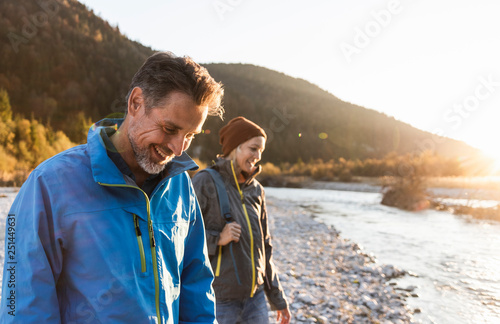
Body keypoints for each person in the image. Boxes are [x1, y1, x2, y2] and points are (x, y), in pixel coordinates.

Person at [0, 51, 224, 323]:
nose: (178, 149)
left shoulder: (181, 187)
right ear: (136, 103)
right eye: (169, 128)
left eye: (189, 136)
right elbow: (21, 303)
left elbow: (196, 284)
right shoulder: (48, 184)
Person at [192, 117, 291, 324]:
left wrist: (278, 299)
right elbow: (183, 236)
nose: (257, 156)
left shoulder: (257, 190)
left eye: (261, 151)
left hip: (255, 299)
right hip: (220, 299)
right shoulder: (205, 181)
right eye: (253, 149)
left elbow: (265, 247)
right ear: (235, 147)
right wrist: (217, 238)